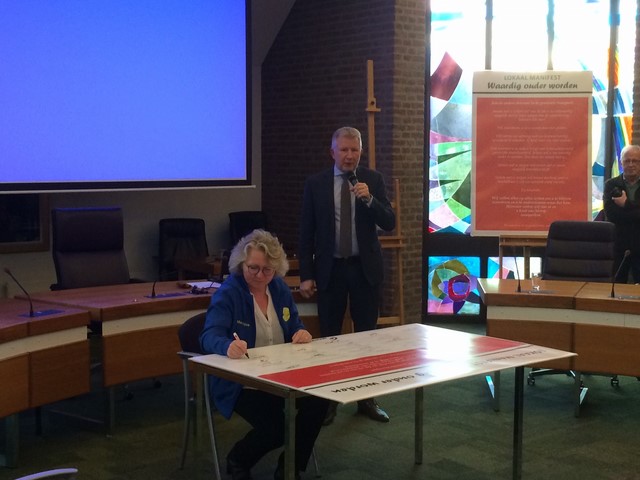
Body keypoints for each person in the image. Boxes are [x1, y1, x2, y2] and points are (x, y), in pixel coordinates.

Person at [200, 229, 328, 480]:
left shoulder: (278, 288)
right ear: (242, 264)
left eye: (267, 270)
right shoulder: (229, 292)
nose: (260, 275)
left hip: (281, 376)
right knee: (278, 427)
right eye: (253, 268)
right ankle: (238, 459)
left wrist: (300, 332)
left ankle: (289, 468)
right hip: (242, 383)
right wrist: (226, 346)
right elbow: (208, 335)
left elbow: (294, 324)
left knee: (320, 400)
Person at [298, 126, 396, 425]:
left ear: (360, 152)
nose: (349, 155)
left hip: (364, 269)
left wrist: (370, 200)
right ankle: (329, 401)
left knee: (367, 336)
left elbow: (389, 222)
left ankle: (367, 398)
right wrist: (306, 274)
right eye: (344, 150)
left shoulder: (373, 180)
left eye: (354, 150)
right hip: (331, 270)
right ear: (333, 152)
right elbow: (306, 232)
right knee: (330, 337)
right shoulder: (316, 184)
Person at [604, 144, 640, 283]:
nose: (631, 164)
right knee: (617, 285)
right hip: (618, 245)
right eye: (627, 160)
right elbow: (612, 215)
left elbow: (621, 213)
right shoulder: (611, 185)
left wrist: (626, 204)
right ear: (621, 162)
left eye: (635, 161)